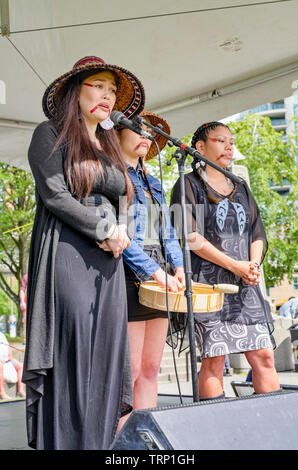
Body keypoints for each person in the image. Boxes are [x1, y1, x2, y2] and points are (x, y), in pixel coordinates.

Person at [22, 56, 145, 450]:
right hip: (68, 254)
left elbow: (126, 195)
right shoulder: (49, 133)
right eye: (98, 86)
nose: (107, 96)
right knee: (73, 353)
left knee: (106, 357)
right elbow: (55, 194)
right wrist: (103, 229)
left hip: (108, 264)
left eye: (112, 90)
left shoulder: (110, 143)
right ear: (76, 91)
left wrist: (121, 228)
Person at [171, 121, 281, 399]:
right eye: (221, 140)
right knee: (214, 358)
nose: (229, 146)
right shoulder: (187, 184)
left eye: (231, 141)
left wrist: (253, 265)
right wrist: (234, 265)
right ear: (200, 147)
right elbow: (190, 237)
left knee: (264, 356)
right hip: (209, 285)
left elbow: (257, 233)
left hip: (246, 284)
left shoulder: (241, 185)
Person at [116, 111, 184, 416]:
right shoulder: (112, 176)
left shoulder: (153, 181)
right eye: (138, 130)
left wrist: (178, 265)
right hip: (129, 274)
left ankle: (145, 436)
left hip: (160, 274)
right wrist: (156, 273)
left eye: (149, 132)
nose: (146, 136)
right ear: (118, 133)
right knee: (128, 372)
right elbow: (121, 236)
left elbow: (167, 231)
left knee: (151, 367)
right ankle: (121, 444)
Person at [0, 331, 25, 399]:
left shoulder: (1, 335)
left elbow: (8, 347)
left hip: (7, 359)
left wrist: (10, 357)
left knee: (21, 366)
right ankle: (2, 392)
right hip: (1, 362)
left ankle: (21, 391)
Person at [19, 273, 27, 341]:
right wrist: (22, 302)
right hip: (27, 303)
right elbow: (22, 290)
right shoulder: (26, 277)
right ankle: (26, 338)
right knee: (25, 320)